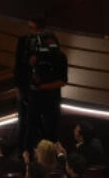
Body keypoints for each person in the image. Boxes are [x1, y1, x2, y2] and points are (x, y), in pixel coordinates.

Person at [14, 19, 67, 151]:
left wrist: (41, 87)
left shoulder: (59, 57)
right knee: (29, 129)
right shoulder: (30, 49)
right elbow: (20, 70)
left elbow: (62, 80)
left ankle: (49, 156)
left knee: (50, 131)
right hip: (34, 97)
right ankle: (26, 155)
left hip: (50, 100)